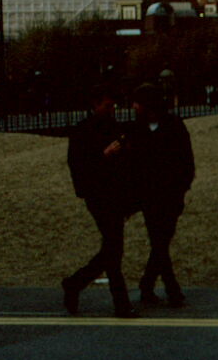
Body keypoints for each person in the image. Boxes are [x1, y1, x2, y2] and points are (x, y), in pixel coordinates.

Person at [62, 85, 137, 317]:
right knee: (114, 248)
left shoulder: (114, 127)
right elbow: (78, 165)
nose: (112, 109)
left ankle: (76, 283)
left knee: (112, 249)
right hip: (97, 194)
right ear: (95, 105)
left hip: (114, 195)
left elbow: (125, 166)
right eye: (107, 105)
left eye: (113, 105)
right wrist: (104, 155)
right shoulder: (83, 130)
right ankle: (120, 303)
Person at [130, 82, 195, 308]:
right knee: (160, 243)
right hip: (149, 195)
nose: (134, 106)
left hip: (169, 194)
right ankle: (168, 288)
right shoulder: (137, 129)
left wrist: (181, 188)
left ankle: (150, 285)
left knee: (160, 242)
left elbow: (186, 162)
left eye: (137, 102)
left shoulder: (173, 126)